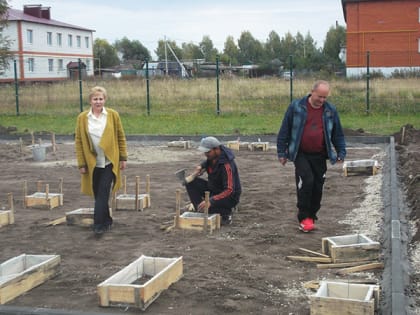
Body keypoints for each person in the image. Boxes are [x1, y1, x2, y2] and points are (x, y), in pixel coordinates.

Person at [276, 80, 346, 232]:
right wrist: (281, 152)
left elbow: (337, 133)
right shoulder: (296, 107)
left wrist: (341, 151)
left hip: (320, 154)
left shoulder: (330, 110)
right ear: (312, 92)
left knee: (317, 186)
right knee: (307, 181)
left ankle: (312, 215)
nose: (322, 100)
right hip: (300, 153)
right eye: (319, 96)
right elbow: (285, 130)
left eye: (325, 97)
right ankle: (304, 217)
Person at [75, 86, 127, 235]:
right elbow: (79, 141)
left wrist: (123, 157)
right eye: (95, 99)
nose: (98, 101)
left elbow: (120, 136)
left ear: (105, 100)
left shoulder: (112, 115)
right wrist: (81, 163)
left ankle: (98, 225)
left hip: (109, 162)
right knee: (98, 193)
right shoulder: (82, 118)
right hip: (92, 164)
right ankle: (107, 220)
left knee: (103, 193)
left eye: (101, 99)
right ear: (90, 101)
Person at [185, 136, 241, 225]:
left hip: (229, 196)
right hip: (214, 190)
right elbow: (207, 161)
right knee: (191, 182)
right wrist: (201, 166)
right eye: (205, 152)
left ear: (217, 149)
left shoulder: (226, 165)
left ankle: (226, 213)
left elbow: (229, 190)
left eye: (208, 152)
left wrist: (211, 201)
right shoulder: (213, 157)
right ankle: (201, 209)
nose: (206, 154)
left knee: (212, 207)